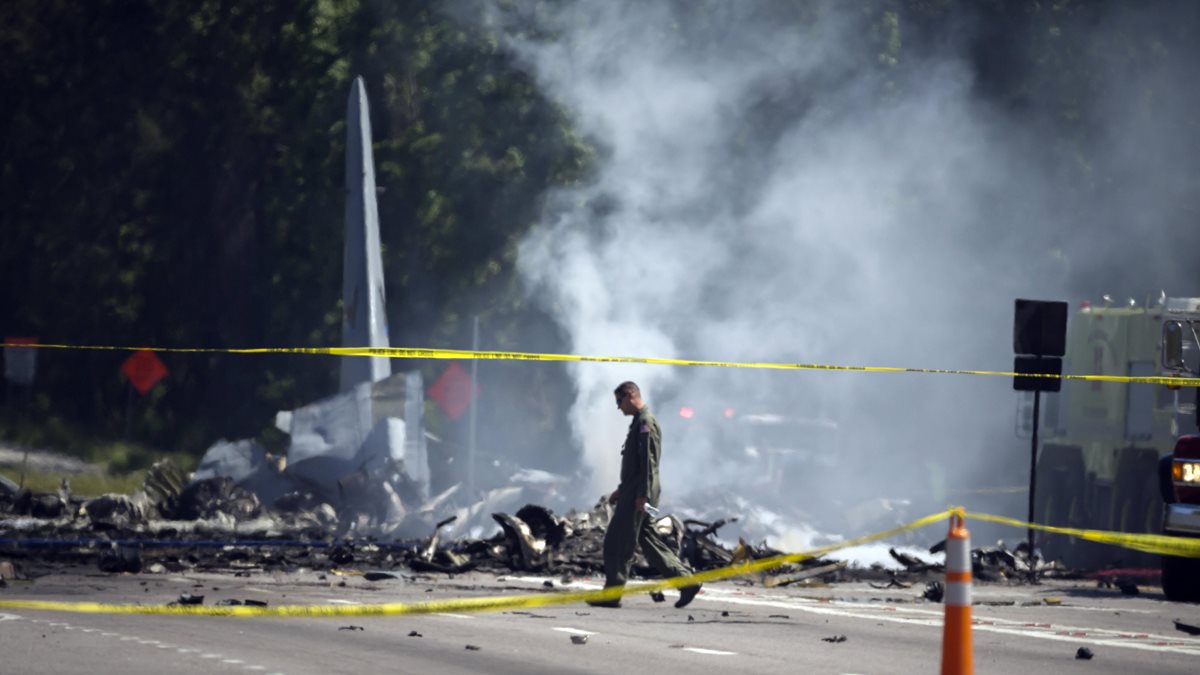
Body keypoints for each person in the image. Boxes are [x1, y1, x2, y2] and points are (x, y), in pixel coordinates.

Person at [587, 381, 701, 609]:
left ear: (630, 395)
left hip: (640, 494)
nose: (618, 407)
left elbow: (648, 464)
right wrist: (622, 490)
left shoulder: (645, 423)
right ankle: (687, 582)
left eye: (619, 401)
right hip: (636, 491)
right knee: (648, 538)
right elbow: (637, 464)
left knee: (617, 541)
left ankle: (612, 593)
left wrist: (643, 496)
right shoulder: (638, 422)